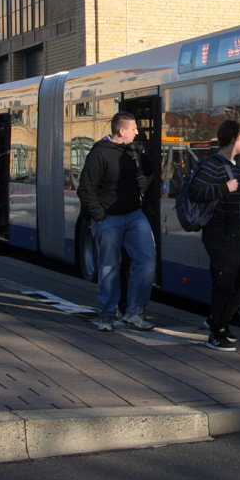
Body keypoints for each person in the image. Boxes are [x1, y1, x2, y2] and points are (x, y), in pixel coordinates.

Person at [76, 112, 157, 332]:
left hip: (134, 215)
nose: (137, 132)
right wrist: (99, 216)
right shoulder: (99, 153)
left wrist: (142, 183)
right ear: (121, 131)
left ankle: (134, 312)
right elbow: (85, 189)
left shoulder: (133, 151)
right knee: (109, 267)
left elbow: (149, 171)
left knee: (147, 261)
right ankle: (107, 314)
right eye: (134, 128)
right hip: (109, 218)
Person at [189, 120, 240, 352]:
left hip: (236, 230)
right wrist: (224, 188)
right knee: (224, 282)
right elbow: (195, 192)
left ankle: (217, 319)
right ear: (234, 139)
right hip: (219, 231)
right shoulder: (212, 165)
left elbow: (232, 195)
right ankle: (216, 333)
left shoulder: (234, 165)